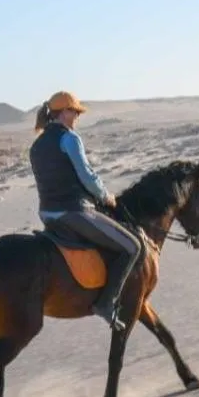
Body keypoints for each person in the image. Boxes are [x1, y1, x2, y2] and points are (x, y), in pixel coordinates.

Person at [30, 91, 143, 332]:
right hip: (73, 213)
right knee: (132, 247)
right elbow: (87, 176)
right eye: (75, 112)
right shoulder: (69, 139)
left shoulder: (36, 145)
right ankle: (105, 303)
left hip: (48, 215)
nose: (77, 117)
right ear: (64, 112)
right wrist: (105, 196)